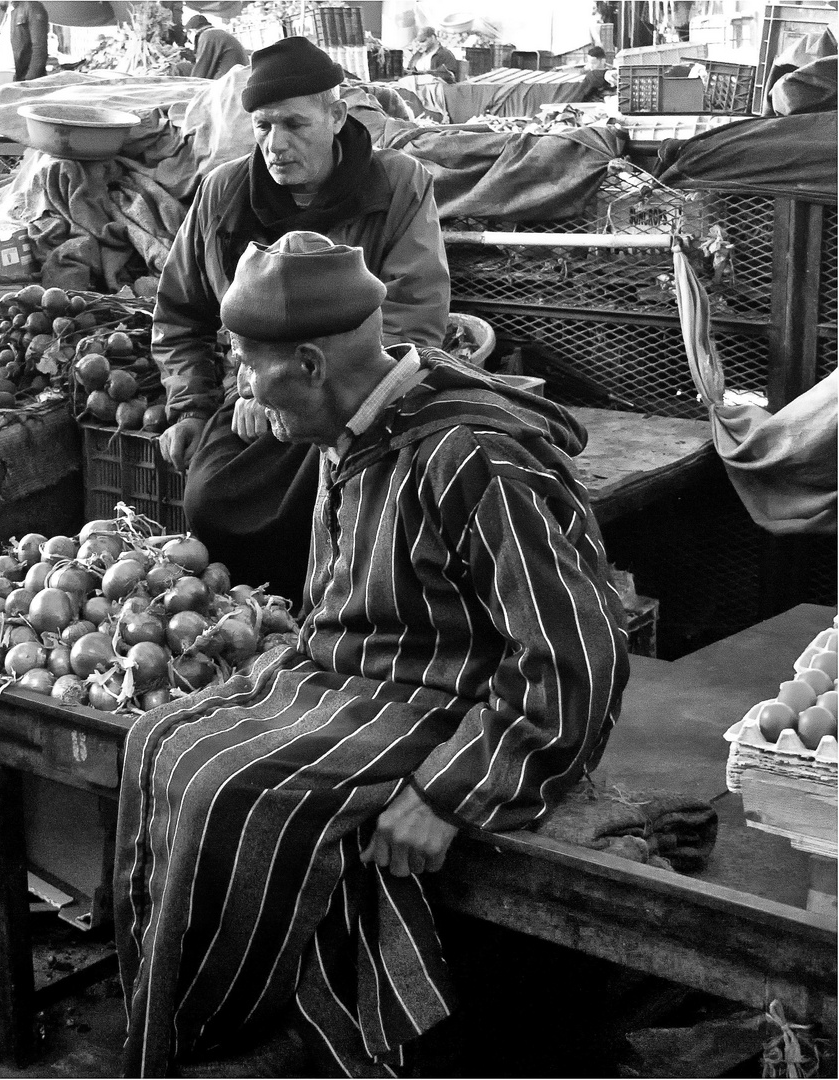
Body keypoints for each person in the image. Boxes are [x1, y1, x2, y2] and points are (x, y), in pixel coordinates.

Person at [117, 230, 629, 1078]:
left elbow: (577, 644)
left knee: (234, 792)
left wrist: (452, 793)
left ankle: (240, 1032)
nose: (244, 387)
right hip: (359, 677)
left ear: (312, 363)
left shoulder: (471, 455)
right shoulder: (358, 429)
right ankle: (220, 1017)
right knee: (159, 739)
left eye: (249, 363)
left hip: (454, 703)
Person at [154, 36, 449, 602]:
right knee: (209, 503)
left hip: (355, 408)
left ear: (336, 115)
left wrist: (284, 391)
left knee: (336, 524)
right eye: (263, 127)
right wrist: (190, 405)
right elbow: (179, 313)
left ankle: (327, 632)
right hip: (254, 405)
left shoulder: (397, 183)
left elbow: (412, 323)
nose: (276, 144)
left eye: (294, 124)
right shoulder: (223, 193)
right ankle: (250, 628)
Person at [184, 13, 248, 80]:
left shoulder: (207, 35)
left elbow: (201, 71)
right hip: (238, 77)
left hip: (230, 80)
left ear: (191, 31)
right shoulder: (217, 33)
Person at [8, 0, 48, 81]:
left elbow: (39, 48)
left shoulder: (31, 6)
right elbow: (1, 52)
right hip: (3, 78)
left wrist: (30, 80)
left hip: (22, 80)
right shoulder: (4, 14)